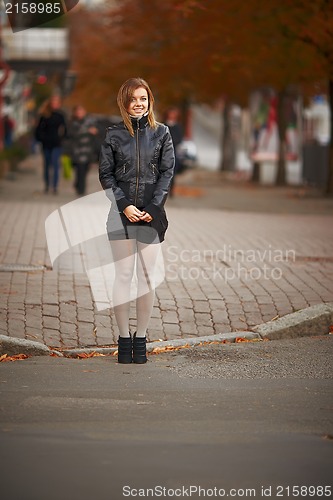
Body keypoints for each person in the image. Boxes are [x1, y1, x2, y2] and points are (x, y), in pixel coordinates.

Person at [99, 77, 175, 364]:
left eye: (143, 98)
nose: (139, 103)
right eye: (133, 99)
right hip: (121, 215)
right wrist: (124, 205)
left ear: (149, 101)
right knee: (122, 276)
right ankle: (123, 338)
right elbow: (106, 175)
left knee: (145, 278)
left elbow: (167, 174)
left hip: (152, 216)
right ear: (124, 102)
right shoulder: (113, 134)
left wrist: (153, 208)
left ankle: (141, 337)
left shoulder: (162, 133)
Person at [35, 95, 67, 194]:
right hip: (46, 143)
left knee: (55, 164)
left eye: (57, 103)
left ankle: (54, 186)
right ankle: (47, 185)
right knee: (47, 165)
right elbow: (38, 130)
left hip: (56, 144)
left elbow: (65, 129)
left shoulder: (60, 115)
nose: (55, 104)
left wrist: (62, 138)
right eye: (53, 102)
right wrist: (41, 138)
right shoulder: (44, 115)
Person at [66, 105, 98, 195]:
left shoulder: (90, 121)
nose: (79, 113)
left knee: (85, 170)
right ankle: (81, 189)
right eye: (78, 111)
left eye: (81, 111)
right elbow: (70, 134)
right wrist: (87, 131)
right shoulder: (72, 123)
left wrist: (95, 132)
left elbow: (97, 133)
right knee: (79, 169)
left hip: (88, 150)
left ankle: (78, 185)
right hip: (76, 150)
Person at [164, 107, 184, 196]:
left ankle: (171, 190)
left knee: (172, 173)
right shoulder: (163, 126)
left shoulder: (178, 127)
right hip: (163, 152)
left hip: (173, 152)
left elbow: (179, 139)